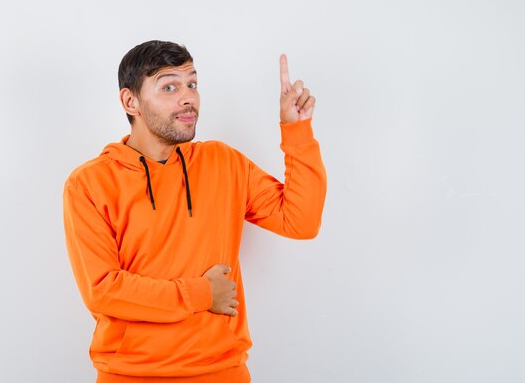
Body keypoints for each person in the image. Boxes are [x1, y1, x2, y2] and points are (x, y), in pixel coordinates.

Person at [62, 40, 327, 383]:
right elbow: (103, 290)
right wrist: (202, 294)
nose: (188, 97)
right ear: (131, 101)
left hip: (222, 372)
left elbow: (300, 221)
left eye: (192, 84)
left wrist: (297, 130)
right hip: (131, 375)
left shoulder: (223, 163)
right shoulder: (89, 183)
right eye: (169, 86)